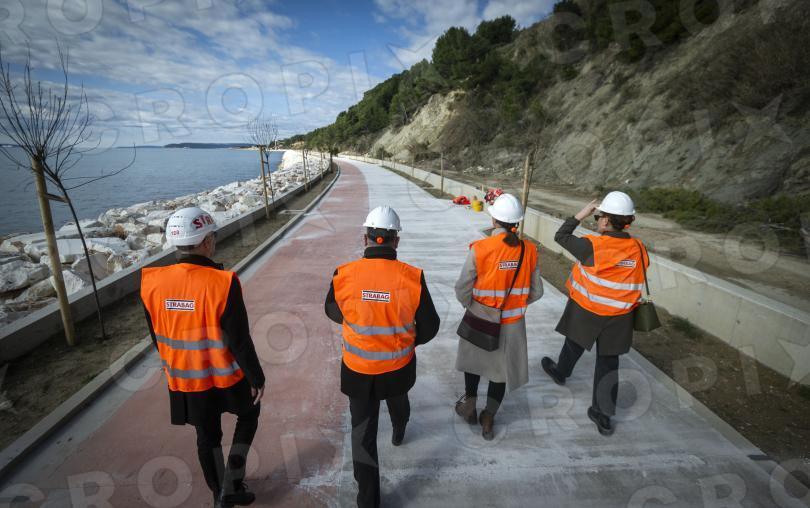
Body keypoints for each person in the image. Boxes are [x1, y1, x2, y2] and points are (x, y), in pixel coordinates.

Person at [141, 207, 265, 508]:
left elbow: (156, 334)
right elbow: (239, 340)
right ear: (206, 241)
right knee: (249, 414)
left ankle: (219, 495)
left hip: (184, 378)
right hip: (226, 375)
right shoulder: (223, 282)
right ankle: (232, 485)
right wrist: (256, 377)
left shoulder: (151, 281)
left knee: (207, 436)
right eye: (213, 237)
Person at [324, 205, 440, 508]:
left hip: (358, 371)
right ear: (396, 241)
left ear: (365, 239)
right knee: (398, 400)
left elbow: (332, 309)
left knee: (363, 436)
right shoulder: (413, 278)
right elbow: (430, 326)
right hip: (397, 368)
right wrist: (406, 341)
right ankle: (399, 430)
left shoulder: (344, 274)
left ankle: (368, 501)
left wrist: (359, 319)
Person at [541, 191, 650, 436]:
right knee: (608, 364)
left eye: (598, 217)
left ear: (605, 220)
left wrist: (581, 214)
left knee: (574, 343)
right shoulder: (639, 248)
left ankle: (561, 372)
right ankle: (602, 414)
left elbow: (561, 235)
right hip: (620, 317)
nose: (597, 220)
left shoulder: (592, 245)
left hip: (588, 310)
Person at [454, 193, 543, 440]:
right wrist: (516, 304)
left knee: (473, 364)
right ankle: (489, 417)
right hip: (513, 325)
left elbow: (462, 288)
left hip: (480, 319)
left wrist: (471, 306)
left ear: (494, 220)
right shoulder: (530, 251)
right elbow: (537, 291)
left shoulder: (480, 249)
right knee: (500, 374)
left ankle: (469, 407)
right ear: (517, 222)